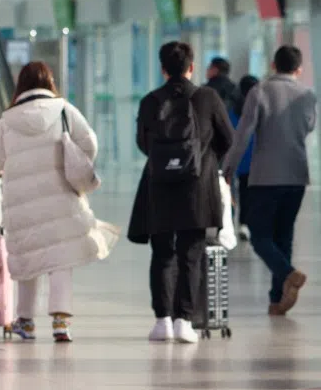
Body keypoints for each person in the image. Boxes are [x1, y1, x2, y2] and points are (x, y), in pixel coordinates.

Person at [0, 61, 117, 343]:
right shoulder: (64, 110)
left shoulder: (7, 121)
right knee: (60, 258)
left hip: (21, 203)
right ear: (50, 82)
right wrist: (72, 160)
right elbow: (89, 142)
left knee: (28, 258)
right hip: (61, 197)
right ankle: (61, 323)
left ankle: (25, 321)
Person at [128, 42, 234, 343]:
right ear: (192, 67)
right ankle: (184, 321)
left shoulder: (150, 101)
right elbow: (229, 138)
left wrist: (166, 160)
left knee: (162, 253)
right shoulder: (207, 97)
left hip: (159, 185)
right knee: (191, 253)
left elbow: (142, 142)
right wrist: (206, 157)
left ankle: (162, 320)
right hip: (197, 187)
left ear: (163, 68)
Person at [223, 45, 316, 316]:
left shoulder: (260, 91)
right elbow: (309, 126)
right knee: (284, 235)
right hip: (297, 175)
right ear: (298, 69)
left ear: (273, 65)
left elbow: (243, 134)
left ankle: (288, 274)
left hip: (265, 176)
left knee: (260, 236)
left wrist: (228, 166)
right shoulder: (308, 94)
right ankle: (276, 300)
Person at [228, 75, 259, 241]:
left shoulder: (233, 107)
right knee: (246, 192)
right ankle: (244, 224)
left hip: (233, 157)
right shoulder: (259, 105)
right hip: (251, 156)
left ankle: (230, 222)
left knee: (231, 192)